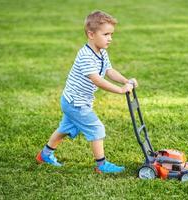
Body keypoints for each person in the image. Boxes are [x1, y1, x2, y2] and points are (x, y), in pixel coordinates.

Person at [36, 10, 137, 173]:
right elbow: (96, 79)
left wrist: (126, 81)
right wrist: (120, 90)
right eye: (106, 34)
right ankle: (102, 165)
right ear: (91, 34)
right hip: (76, 102)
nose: (110, 38)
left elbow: (109, 71)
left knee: (65, 128)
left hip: (73, 100)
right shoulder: (85, 56)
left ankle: (45, 155)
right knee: (97, 129)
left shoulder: (102, 52)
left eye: (111, 34)